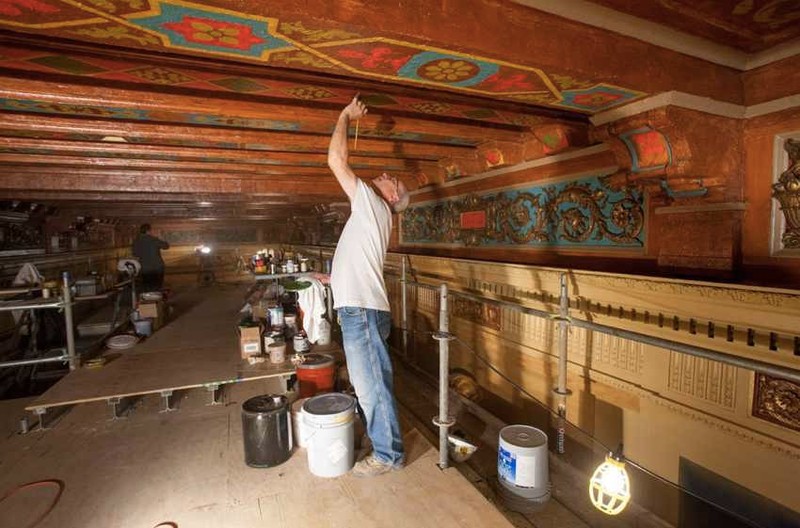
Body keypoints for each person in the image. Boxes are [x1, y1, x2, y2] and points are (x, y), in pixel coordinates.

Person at [328, 95, 410, 477]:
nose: (385, 174)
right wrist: (334, 279)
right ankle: (381, 443)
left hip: (360, 310)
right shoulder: (372, 214)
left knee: (372, 386)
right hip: (360, 306)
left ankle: (389, 456)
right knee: (369, 384)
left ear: (392, 196)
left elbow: (336, 161)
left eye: (392, 178)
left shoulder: (373, 205)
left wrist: (346, 115)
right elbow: (357, 260)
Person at [132, 224, 170, 292]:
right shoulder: (153, 239)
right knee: (157, 286)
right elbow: (166, 246)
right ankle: (156, 299)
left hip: (145, 268)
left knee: (147, 286)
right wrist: (161, 239)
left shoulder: (136, 241)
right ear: (148, 231)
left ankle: (149, 299)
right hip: (157, 267)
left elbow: (135, 254)